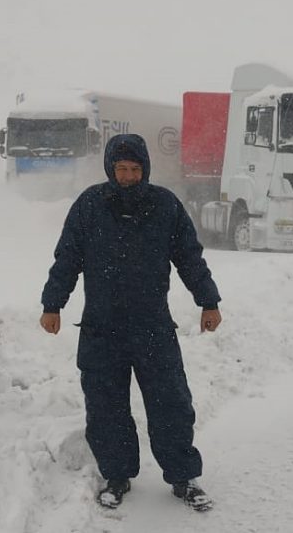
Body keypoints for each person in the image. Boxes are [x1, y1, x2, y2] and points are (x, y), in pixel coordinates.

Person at [39, 133, 222, 512]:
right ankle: (117, 475)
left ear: (145, 169)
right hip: (101, 328)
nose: (127, 176)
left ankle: (183, 476)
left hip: (152, 326)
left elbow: (189, 257)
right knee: (106, 406)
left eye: (134, 169)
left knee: (170, 402)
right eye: (120, 169)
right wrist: (52, 304)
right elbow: (67, 259)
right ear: (110, 168)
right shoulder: (90, 205)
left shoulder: (164, 206)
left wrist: (208, 300)